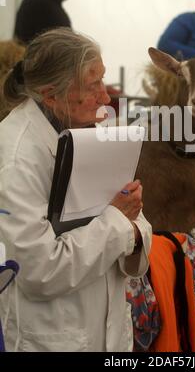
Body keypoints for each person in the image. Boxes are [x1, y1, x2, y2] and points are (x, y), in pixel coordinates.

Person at [0, 28, 152, 352]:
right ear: (51, 95)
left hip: (108, 335)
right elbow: (38, 270)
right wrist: (119, 222)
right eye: (92, 85)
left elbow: (135, 218)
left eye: (103, 80)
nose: (106, 98)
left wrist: (135, 230)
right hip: (51, 339)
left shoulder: (97, 131)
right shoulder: (15, 160)